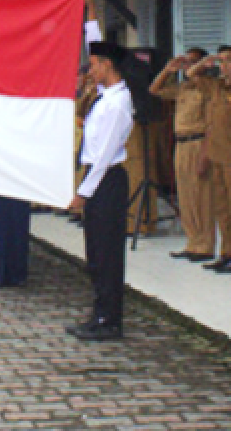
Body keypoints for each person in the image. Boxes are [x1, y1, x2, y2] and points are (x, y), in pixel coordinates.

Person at [66, 34, 134, 341]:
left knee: (107, 254)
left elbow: (105, 155)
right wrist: (90, 11)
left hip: (106, 180)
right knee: (95, 254)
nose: (90, 71)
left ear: (108, 66)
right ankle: (99, 313)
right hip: (97, 179)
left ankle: (110, 320)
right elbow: (97, 41)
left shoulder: (118, 104)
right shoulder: (105, 97)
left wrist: (82, 193)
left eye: (94, 66)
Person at [185, 46, 231, 275]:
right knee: (221, 208)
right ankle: (227, 251)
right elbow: (191, 74)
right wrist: (206, 62)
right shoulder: (215, 87)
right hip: (215, 155)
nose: (224, 67)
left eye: (229, 61)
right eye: (221, 62)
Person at [149, 48, 213, 261]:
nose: (187, 67)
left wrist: (205, 154)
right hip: (181, 143)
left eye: (193, 62)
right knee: (185, 195)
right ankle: (192, 241)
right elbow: (154, 91)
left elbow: (211, 125)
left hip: (198, 142)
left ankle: (205, 244)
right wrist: (168, 70)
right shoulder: (182, 88)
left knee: (200, 195)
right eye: (186, 62)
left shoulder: (207, 89)